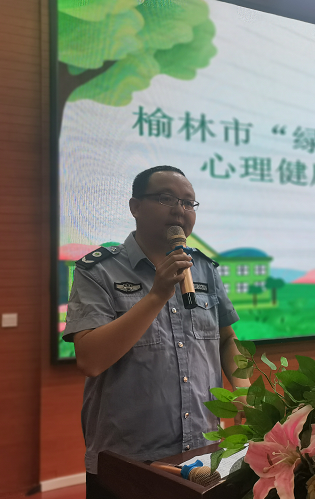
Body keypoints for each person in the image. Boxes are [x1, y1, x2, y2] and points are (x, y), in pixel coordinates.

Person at [63, 166, 249, 498]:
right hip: (128, 461)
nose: (180, 210)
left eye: (189, 203)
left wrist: (244, 389)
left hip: (202, 452)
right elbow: (90, 359)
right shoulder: (98, 271)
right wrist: (156, 295)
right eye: (166, 198)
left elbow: (226, 339)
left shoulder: (203, 268)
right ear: (135, 206)